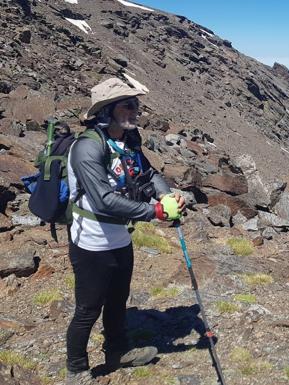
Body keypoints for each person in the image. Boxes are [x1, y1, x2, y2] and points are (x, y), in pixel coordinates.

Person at [65, 78, 185, 384]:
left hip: (119, 235)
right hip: (91, 239)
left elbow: (148, 173)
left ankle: (117, 352)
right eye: (128, 105)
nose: (136, 111)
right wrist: (155, 212)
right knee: (88, 308)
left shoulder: (128, 140)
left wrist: (166, 196)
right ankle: (77, 370)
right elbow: (103, 201)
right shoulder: (86, 148)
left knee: (118, 298)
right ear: (107, 110)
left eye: (137, 105)